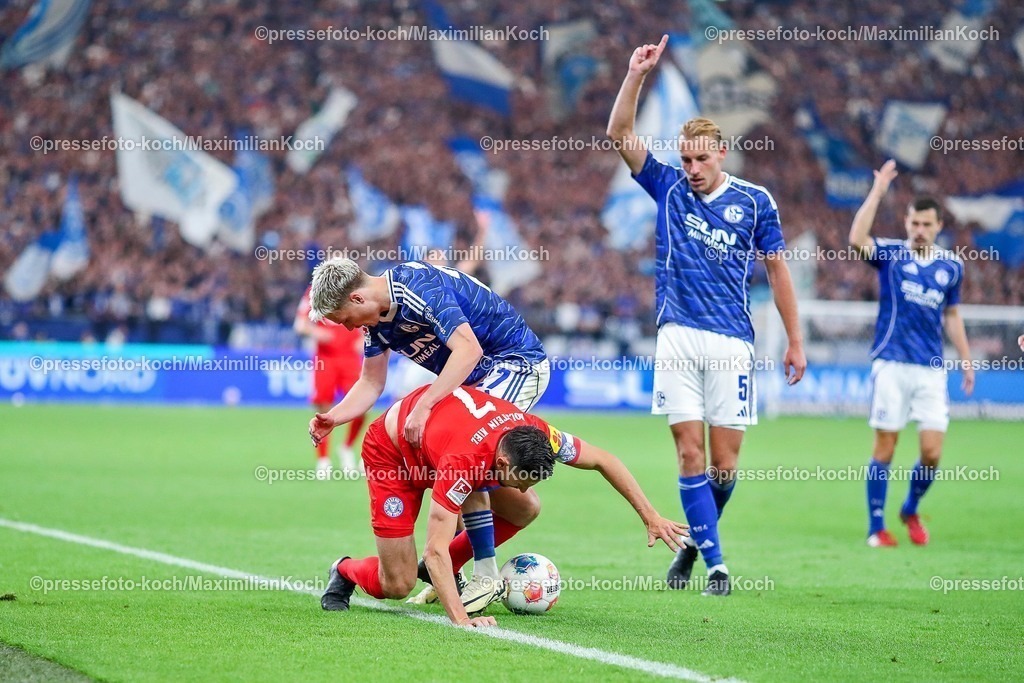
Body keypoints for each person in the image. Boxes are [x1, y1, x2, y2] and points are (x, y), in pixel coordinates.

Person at [606, 35, 806, 595]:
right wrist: (635, 75)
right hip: (677, 337)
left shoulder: (756, 202)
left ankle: (695, 541)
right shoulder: (666, 187)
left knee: (724, 465)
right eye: (685, 158)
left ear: (721, 153)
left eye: (700, 158)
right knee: (688, 451)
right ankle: (717, 563)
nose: (691, 168)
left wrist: (794, 341)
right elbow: (619, 134)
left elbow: (777, 271)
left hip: (733, 343)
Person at [318, 384, 688, 626]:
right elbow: (434, 548)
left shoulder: (537, 432)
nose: (524, 487)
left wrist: (650, 516)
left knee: (525, 507)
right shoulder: (464, 462)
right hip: (394, 457)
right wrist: (463, 621)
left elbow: (604, 460)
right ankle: (345, 569)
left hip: (443, 444)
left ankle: (446, 572)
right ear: (505, 464)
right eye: (522, 479)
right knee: (397, 584)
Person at [305, 257, 550, 609]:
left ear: (357, 299)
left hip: (514, 363)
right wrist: (336, 416)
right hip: (472, 378)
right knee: (465, 457)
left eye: (344, 320)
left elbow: (469, 349)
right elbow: (372, 382)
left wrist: (426, 405)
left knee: (470, 447)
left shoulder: (417, 289)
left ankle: (484, 574)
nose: (346, 329)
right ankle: (447, 568)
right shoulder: (376, 321)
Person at [849, 160, 974, 547]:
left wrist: (966, 360)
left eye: (927, 225)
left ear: (938, 227)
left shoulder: (951, 267)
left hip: (930, 370)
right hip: (891, 363)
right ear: (906, 223)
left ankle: (910, 507)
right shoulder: (890, 256)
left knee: (932, 453)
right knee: (885, 446)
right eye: (914, 223)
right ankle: (876, 528)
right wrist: (878, 192)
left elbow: (952, 315)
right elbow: (856, 239)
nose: (919, 230)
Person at [294, 286, 367, 476]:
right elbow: (300, 324)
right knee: (323, 409)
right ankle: (323, 459)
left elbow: (370, 315)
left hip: (350, 357)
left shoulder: (356, 287)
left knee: (360, 406)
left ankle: (347, 447)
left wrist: (365, 338)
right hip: (325, 358)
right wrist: (316, 333)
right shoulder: (313, 291)